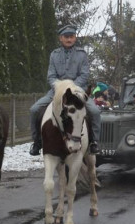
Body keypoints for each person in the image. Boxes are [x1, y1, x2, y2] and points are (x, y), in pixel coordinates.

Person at [29, 24, 100, 155]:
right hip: (57, 92)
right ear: (60, 38)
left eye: (71, 36)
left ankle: (94, 142)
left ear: (75, 38)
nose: (69, 39)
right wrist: (60, 88)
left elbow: (84, 75)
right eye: (66, 37)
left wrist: (71, 87)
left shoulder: (82, 54)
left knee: (95, 111)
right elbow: (51, 76)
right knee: (34, 110)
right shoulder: (54, 55)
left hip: (78, 91)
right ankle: (37, 142)